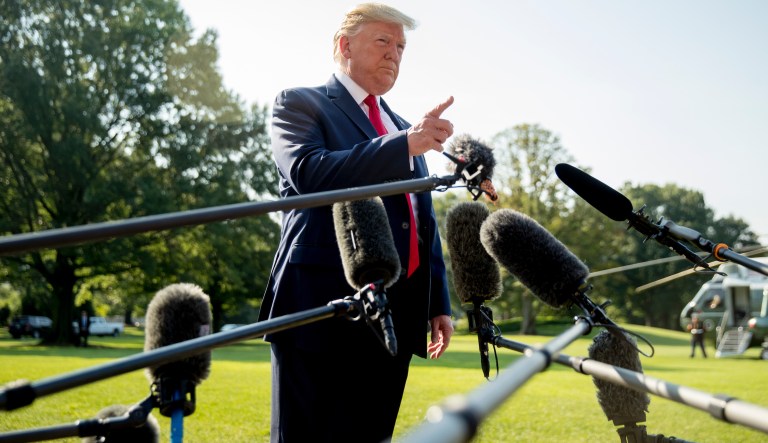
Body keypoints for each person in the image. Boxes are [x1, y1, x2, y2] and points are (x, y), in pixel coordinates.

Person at [258, 3, 454, 442]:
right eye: (383, 41)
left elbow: (420, 215)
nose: (395, 55)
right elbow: (311, 172)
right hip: (319, 307)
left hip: (396, 316)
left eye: (401, 47)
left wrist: (437, 301)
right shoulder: (299, 102)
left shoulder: (404, 126)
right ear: (345, 45)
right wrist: (404, 144)